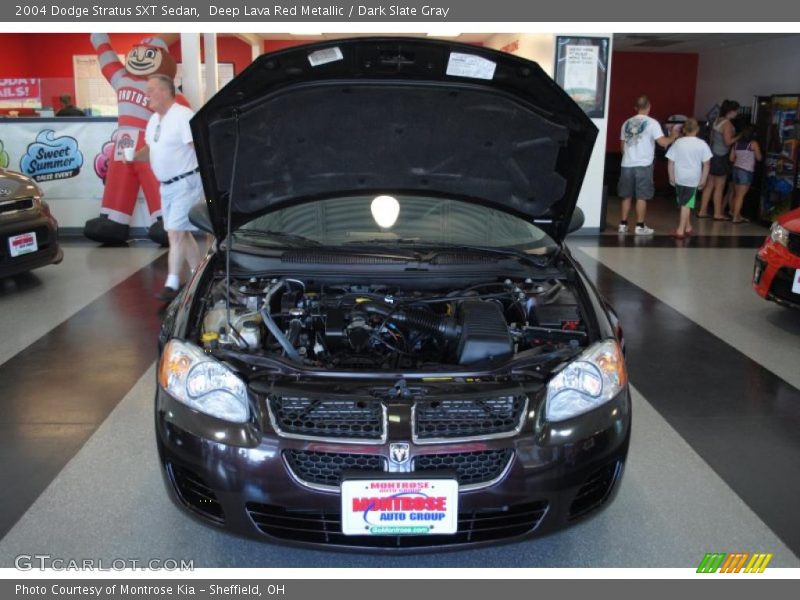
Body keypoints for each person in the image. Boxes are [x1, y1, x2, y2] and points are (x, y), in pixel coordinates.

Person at [130, 74, 203, 302]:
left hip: (186, 182)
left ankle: (172, 282)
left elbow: (198, 146)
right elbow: (151, 150)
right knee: (182, 232)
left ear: (164, 92)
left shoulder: (183, 116)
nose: (147, 95)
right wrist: (133, 156)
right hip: (167, 186)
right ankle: (197, 275)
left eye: (151, 90)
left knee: (174, 232)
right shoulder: (154, 120)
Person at [617, 95, 676, 235]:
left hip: (626, 164)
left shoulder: (626, 123)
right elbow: (663, 143)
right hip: (644, 165)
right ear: (649, 106)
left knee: (626, 195)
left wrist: (630, 156)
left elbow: (622, 146)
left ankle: (623, 225)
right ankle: (639, 226)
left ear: (635, 108)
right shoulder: (652, 123)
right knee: (642, 196)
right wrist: (673, 136)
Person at [666, 118, 712, 239]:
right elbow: (707, 164)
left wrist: (671, 176)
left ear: (684, 130)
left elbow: (670, 162)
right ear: (697, 129)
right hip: (693, 178)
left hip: (679, 176)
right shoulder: (702, 144)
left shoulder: (678, 142)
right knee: (686, 203)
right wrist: (703, 180)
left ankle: (686, 228)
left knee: (684, 202)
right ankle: (682, 230)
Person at [697, 100, 739, 220]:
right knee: (719, 187)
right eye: (736, 111)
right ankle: (717, 213)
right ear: (731, 112)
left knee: (709, 185)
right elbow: (728, 141)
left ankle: (702, 211)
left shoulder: (717, 120)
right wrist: (740, 136)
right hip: (721, 156)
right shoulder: (727, 124)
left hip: (712, 154)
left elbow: (712, 138)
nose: (737, 113)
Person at [728, 125, 762, 224]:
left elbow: (731, 158)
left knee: (736, 195)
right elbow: (759, 157)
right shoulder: (753, 144)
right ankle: (735, 218)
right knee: (740, 196)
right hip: (746, 171)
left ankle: (737, 215)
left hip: (736, 169)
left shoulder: (736, 144)